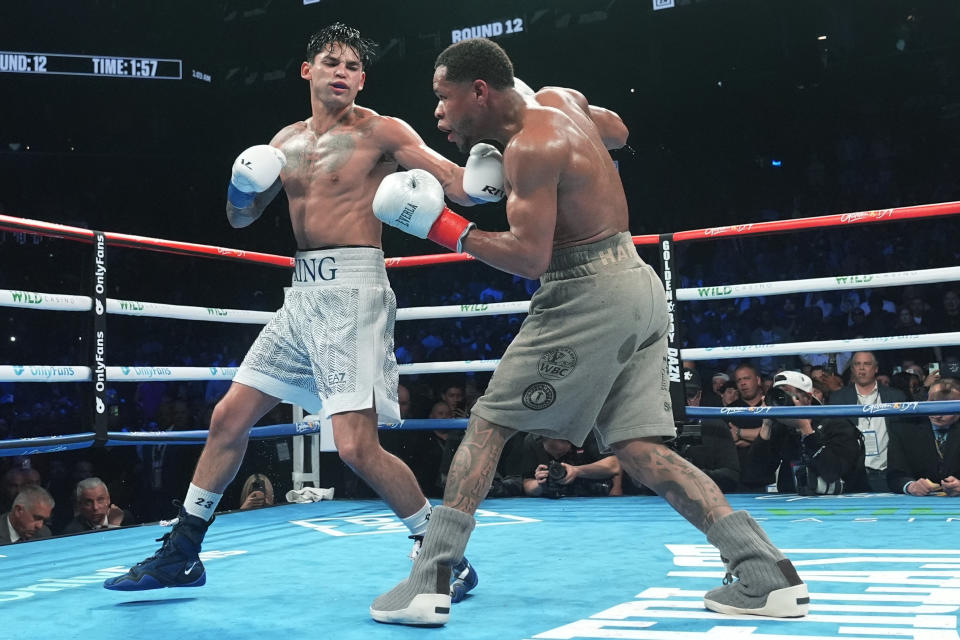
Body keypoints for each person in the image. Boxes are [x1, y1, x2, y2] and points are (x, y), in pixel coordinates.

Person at [369, 38, 807, 625]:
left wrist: (446, 229)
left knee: (490, 422)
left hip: (586, 291)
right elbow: (620, 132)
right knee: (640, 448)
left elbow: (528, 257)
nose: (438, 113)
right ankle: (764, 571)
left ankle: (431, 579)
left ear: (480, 91)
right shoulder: (559, 102)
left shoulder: (528, 147)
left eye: (443, 98)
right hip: (637, 280)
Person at [104, 23, 499, 593]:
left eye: (352, 66)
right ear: (307, 71)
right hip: (302, 296)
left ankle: (445, 557)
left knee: (358, 447)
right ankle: (182, 553)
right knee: (227, 418)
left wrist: (492, 174)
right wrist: (242, 189)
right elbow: (241, 217)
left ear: (362, 79)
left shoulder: (383, 131)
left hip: (354, 293)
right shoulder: (282, 142)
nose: (341, 71)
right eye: (330, 61)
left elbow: (458, 186)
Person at [828, 351, 907, 492]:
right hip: (852, 475)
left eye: (867, 364)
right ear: (852, 369)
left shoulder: (895, 396)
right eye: (857, 364)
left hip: (888, 473)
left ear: (876, 368)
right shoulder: (838, 398)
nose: (862, 368)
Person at [886, 379, 960, 496]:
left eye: (946, 406)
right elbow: (894, 475)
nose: (938, 414)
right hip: (917, 504)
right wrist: (911, 485)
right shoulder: (904, 427)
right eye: (933, 403)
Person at [62, 477, 133, 534]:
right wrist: (113, 526)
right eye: (88, 502)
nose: (95, 507)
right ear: (80, 505)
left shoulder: (125, 517)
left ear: (108, 500)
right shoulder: (73, 531)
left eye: (100, 500)